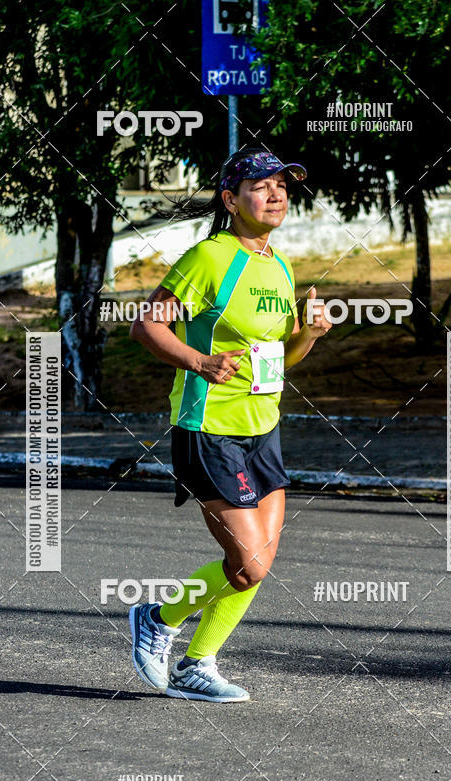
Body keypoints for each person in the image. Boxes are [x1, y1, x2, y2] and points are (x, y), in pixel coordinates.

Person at [128, 146, 331, 703]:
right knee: (250, 560)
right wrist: (199, 361)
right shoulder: (209, 257)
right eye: (260, 187)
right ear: (231, 200)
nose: (276, 195)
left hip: (263, 427)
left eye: (282, 186)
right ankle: (159, 618)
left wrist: (310, 334)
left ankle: (197, 665)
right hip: (209, 426)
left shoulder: (280, 265)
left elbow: (279, 356)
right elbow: (146, 327)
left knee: (255, 565)